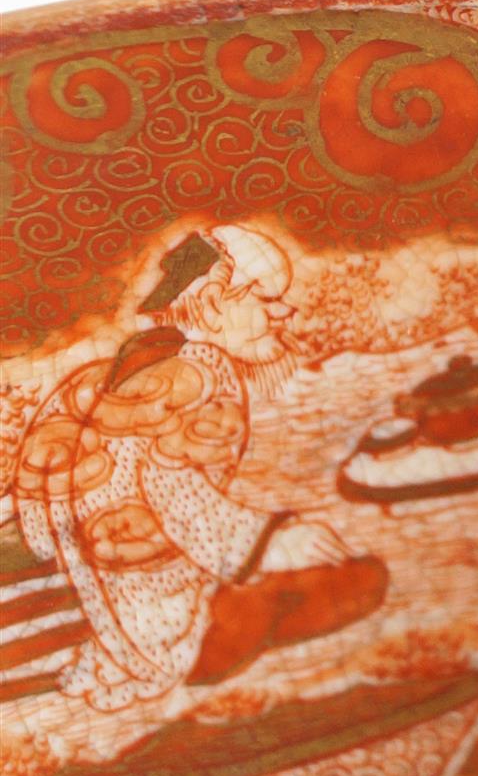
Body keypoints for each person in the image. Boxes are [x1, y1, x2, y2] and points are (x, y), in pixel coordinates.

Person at [9, 223, 386, 711]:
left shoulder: (147, 363)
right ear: (211, 306)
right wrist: (271, 539)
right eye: (265, 299)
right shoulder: (195, 373)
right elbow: (173, 491)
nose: (284, 313)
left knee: (333, 583)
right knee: (352, 581)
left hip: (125, 589)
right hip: (159, 609)